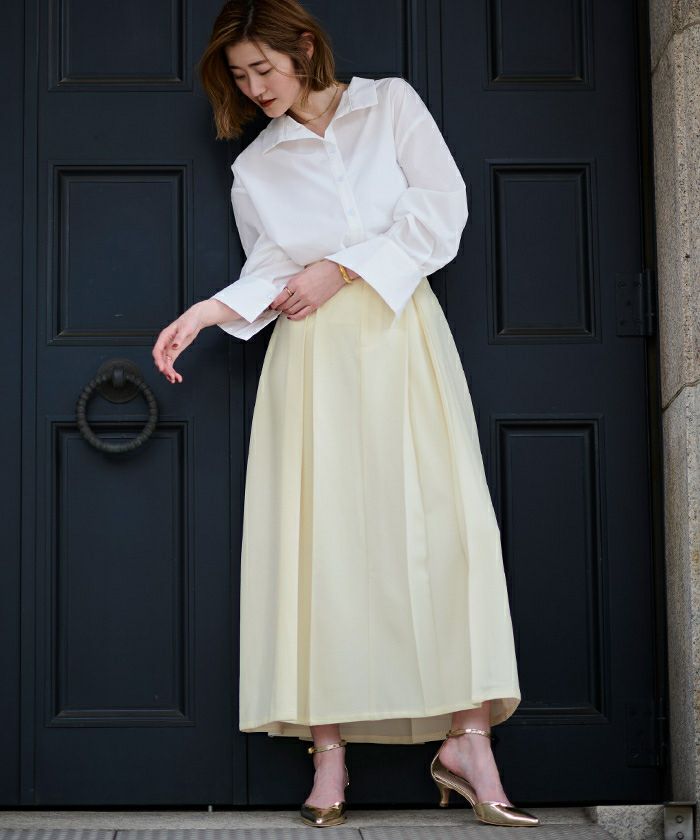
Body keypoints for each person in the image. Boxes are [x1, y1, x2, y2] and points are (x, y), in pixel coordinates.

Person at [152, 0, 539, 829]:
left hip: (403, 338)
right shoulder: (257, 166)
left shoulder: (389, 105)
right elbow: (271, 271)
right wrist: (208, 312)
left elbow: (440, 211)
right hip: (313, 359)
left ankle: (469, 742)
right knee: (320, 542)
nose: (255, 88)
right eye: (240, 77)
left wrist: (343, 268)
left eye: (263, 68)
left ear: (304, 48)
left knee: (445, 532)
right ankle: (327, 754)